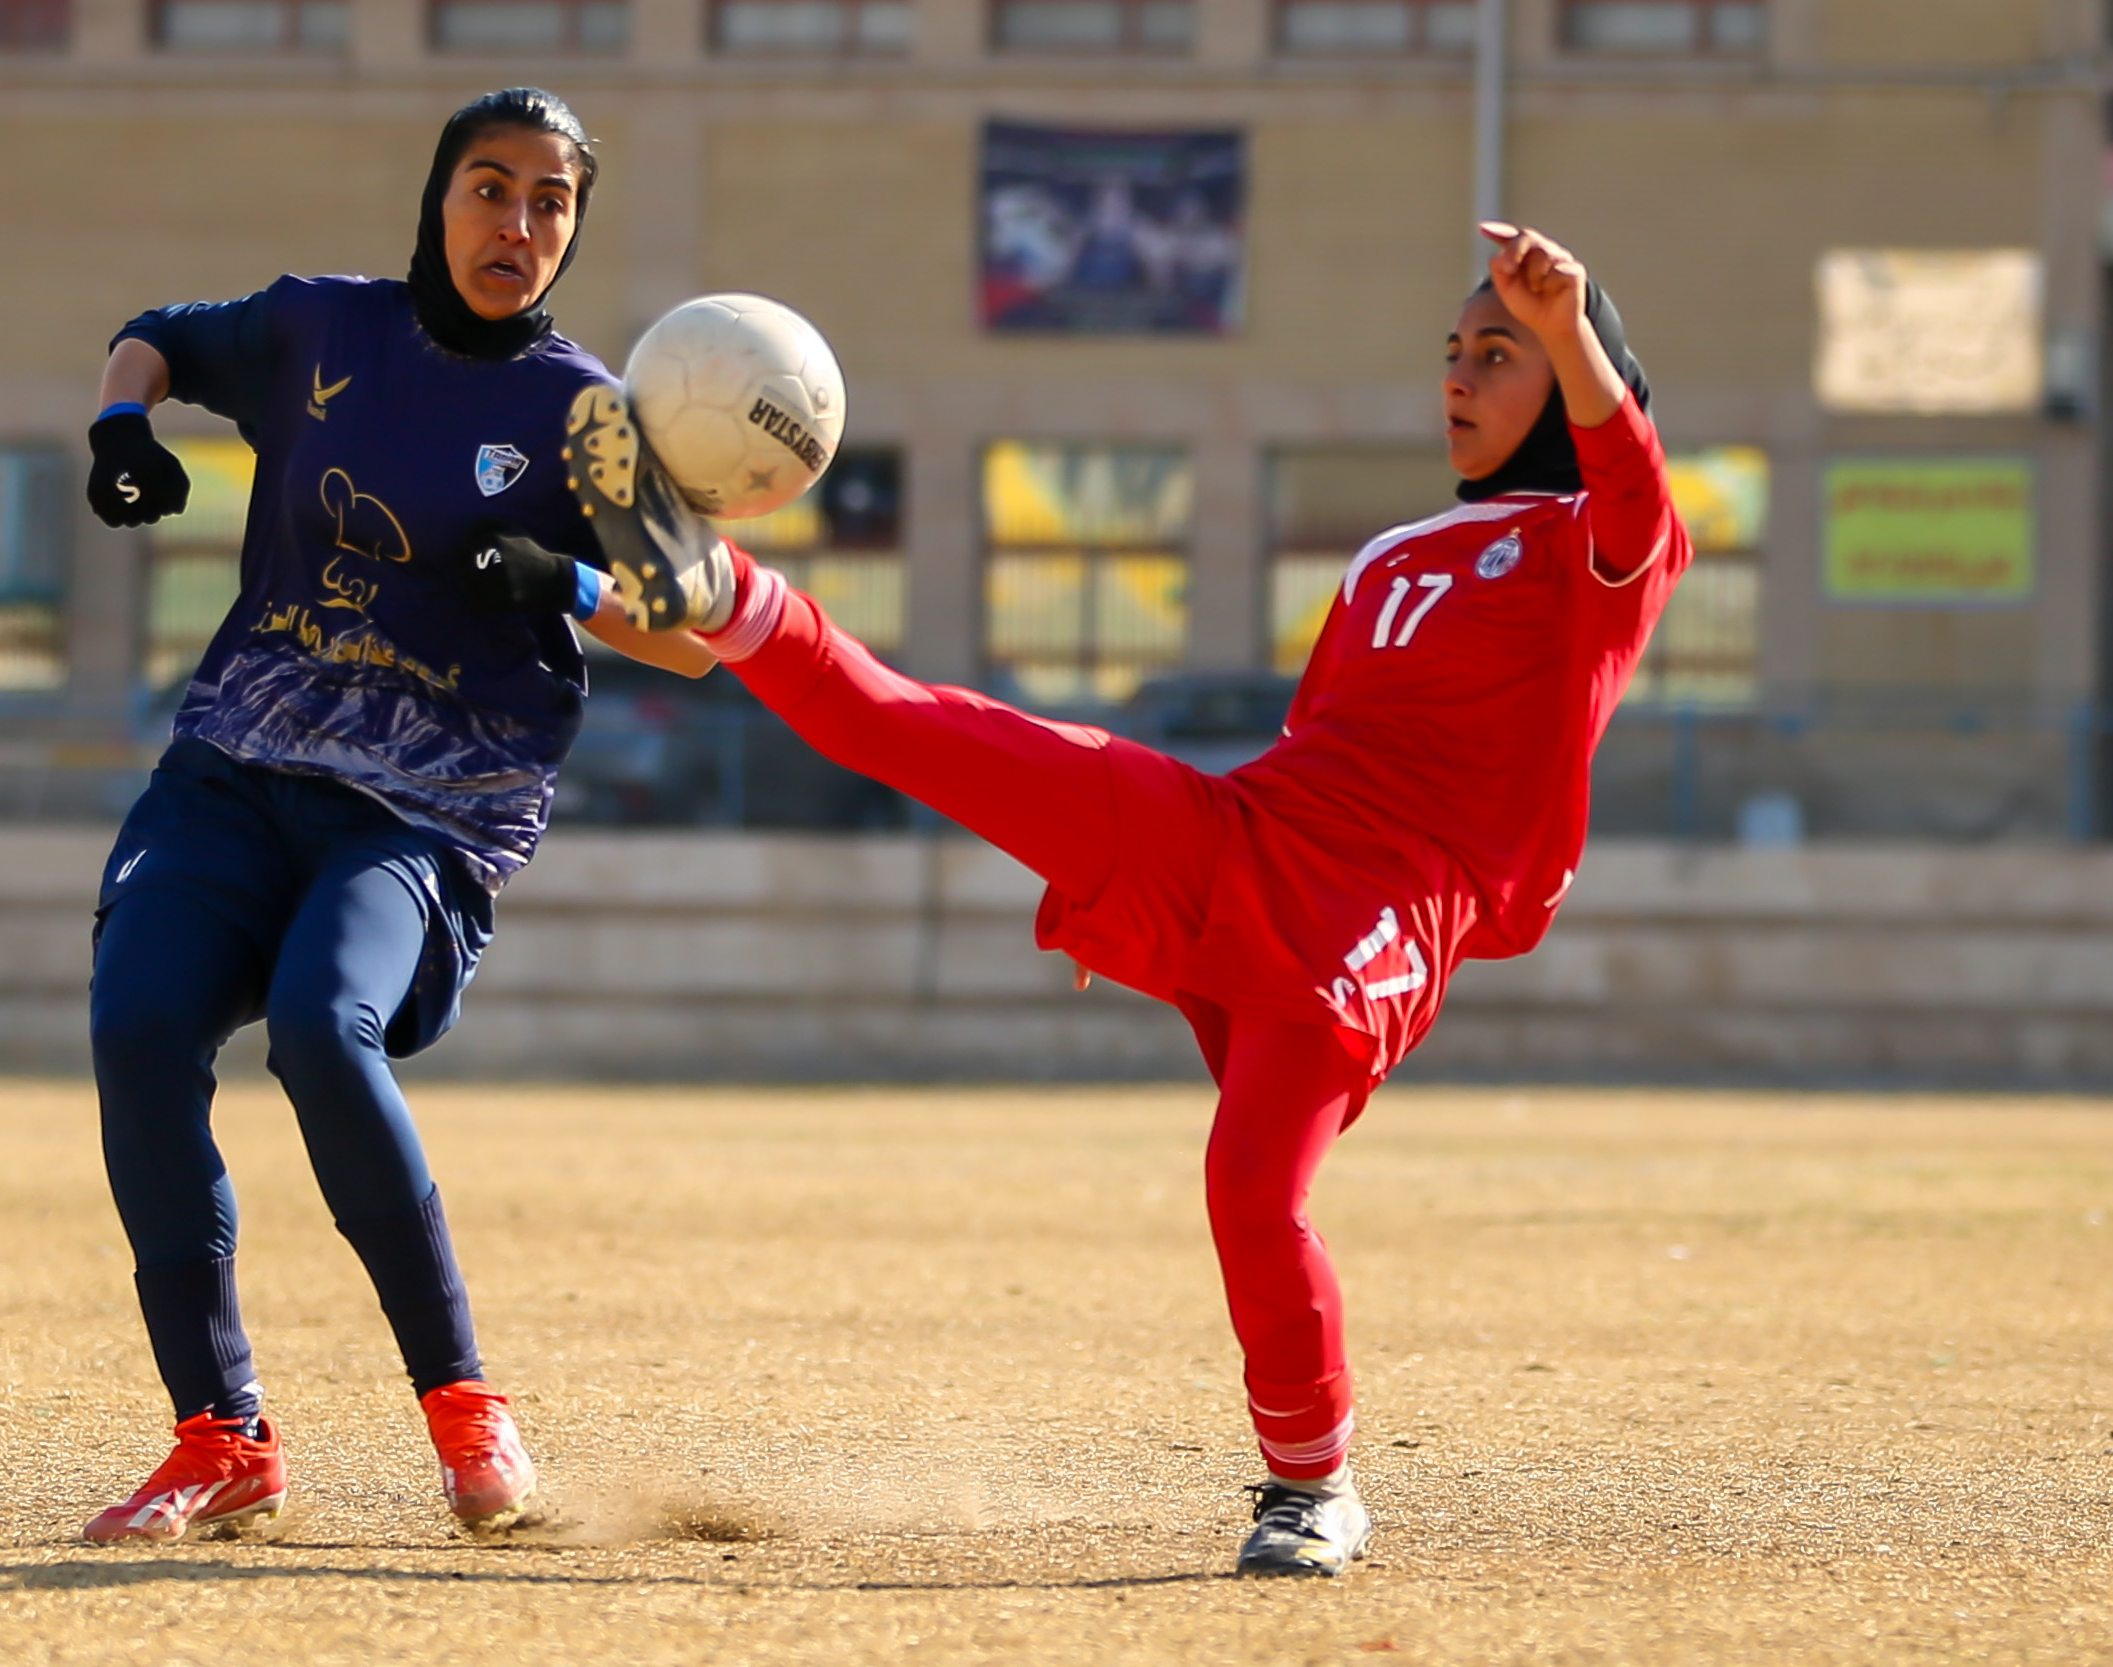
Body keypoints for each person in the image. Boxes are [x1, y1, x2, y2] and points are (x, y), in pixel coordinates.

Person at [491, 222, 1685, 1577]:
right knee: (925, 727)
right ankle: (720, 583)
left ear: (1583, 377)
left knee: (1250, 1188)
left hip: (1389, 906)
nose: (1461, 375)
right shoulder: (1391, 556)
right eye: (1455, 351)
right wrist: (589, 591)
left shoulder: (1601, 547)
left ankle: (1314, 1489)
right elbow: (1322, 748)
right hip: (1249, 831)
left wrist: (1571, 321)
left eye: (1500, 353)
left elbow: (1636, 489)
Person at [73, 86, 711, 1545]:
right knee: (135, 1022)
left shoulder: (587, 417)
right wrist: (122, 422)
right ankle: (218, 1436)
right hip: (238, 770)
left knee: (321, 1026)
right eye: (492, 187)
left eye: (552, 201)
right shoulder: (321, 326)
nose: (519, 222)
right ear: (438, 199)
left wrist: (573, 584)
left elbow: (691, 625)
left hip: (422, 815)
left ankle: (463, 1407)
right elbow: (157, 329)